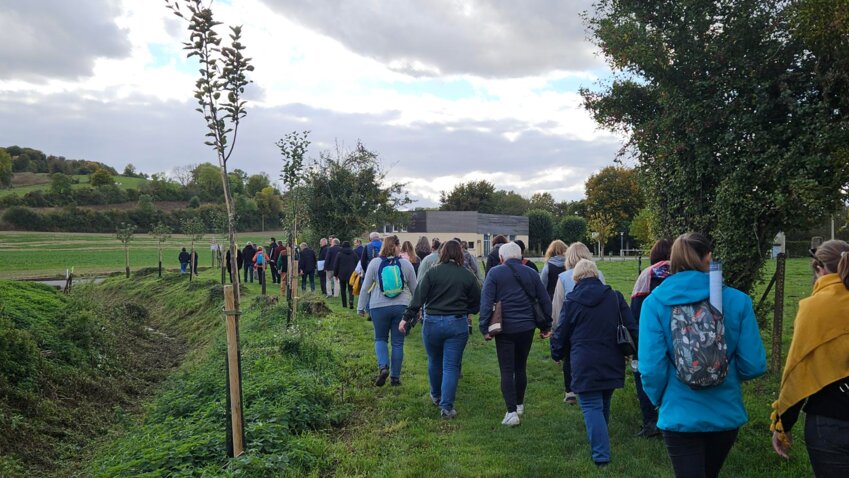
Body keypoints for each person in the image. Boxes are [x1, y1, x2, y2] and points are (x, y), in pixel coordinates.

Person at [639, 233, 766, 478]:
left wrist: (659, 400)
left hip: (678, 411)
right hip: (725, 411)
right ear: (709, 257)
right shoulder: (738, 301)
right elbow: (754, 365)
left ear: (672, 261)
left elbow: (651, 368)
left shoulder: (654, 303)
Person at [771, 240, 849, 476]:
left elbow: (798, 369)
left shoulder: (815, 308)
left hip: (830, 420)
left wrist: (783, 425)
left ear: (819, 269)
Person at [550, 259, 638, 467]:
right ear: (596, 275)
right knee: (603, 403)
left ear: (576, 279)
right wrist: (637, 353)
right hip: (612, 358)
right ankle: (601, 440)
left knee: (591, 406)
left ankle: (601, 456)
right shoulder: (615, 297)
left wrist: (556, 353)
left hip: (584, 360)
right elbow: (632, 327)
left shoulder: (572, 301)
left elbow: (561, 332)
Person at [400, 240, 481, 419]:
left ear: (442, 253)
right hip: (457, 322)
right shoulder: (467, 275)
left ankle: (436, 395)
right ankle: (446, 406)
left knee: (434, 361)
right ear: (460, 254)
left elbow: (418, 297)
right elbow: (477, 302)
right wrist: (468, 309)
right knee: (451, 366)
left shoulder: (432, 272)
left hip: (432, 323)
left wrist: (406, 317)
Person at [479, 242, 553, 427]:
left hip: (505, 328)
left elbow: (486, 302)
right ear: (521, 256)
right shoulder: (531, 273)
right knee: (520, 366)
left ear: (501, 258)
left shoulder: (495, 273)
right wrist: (546, 326)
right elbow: (545, 300)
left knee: (506, 369)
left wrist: (484, 328)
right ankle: (519, 404)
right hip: (527, 326)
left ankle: (511, 412)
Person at [357, 235, 418, 387]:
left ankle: (383, 367)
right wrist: (417, 309)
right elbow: (415, 289)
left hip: (378, 306)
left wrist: (360, 307)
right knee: (398, 343)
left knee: (380, 339)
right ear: (398, 246)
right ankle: (395, 378)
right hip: (401, 307)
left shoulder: (374, 263)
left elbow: (365, 288)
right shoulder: (406, 264)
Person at [551, 242, 606, 404]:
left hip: (572, 322)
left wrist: (555, 329)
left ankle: (570, 390)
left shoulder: (563, 277)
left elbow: (558, 305)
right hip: (595, 323)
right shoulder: (599, 274)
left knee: (569, 356)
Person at [629, 239, 672, 438]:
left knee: (643, 374)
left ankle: (650, 422)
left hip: (650, 335)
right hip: (677, 336)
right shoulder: (682, 274)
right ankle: (670, 418)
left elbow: (635, 311)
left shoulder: (647, 276)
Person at [333, 241, 359, 310]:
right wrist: (357, 273)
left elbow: (336, 265)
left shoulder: (339, 254)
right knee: (351, 288)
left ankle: (344, 304)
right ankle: (351, 301)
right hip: (351, 274)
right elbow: (357, 263)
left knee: (343, 289)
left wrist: (335, 274)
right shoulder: (354, 253)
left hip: (342, 274)